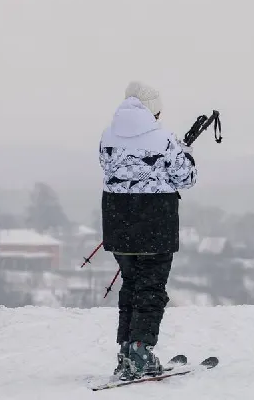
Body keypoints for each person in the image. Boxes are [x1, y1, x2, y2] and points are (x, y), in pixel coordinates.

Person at [99, 80, 198, 380]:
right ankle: (141, 353)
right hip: (155, 224)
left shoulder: (107, 136)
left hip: (118, 223)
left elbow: (108, 167)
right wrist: (185, 152)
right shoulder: (164, 139)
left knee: (130, 285)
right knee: (151, 289)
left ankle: (126, 353)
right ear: (152, 110)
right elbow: (186, 178)